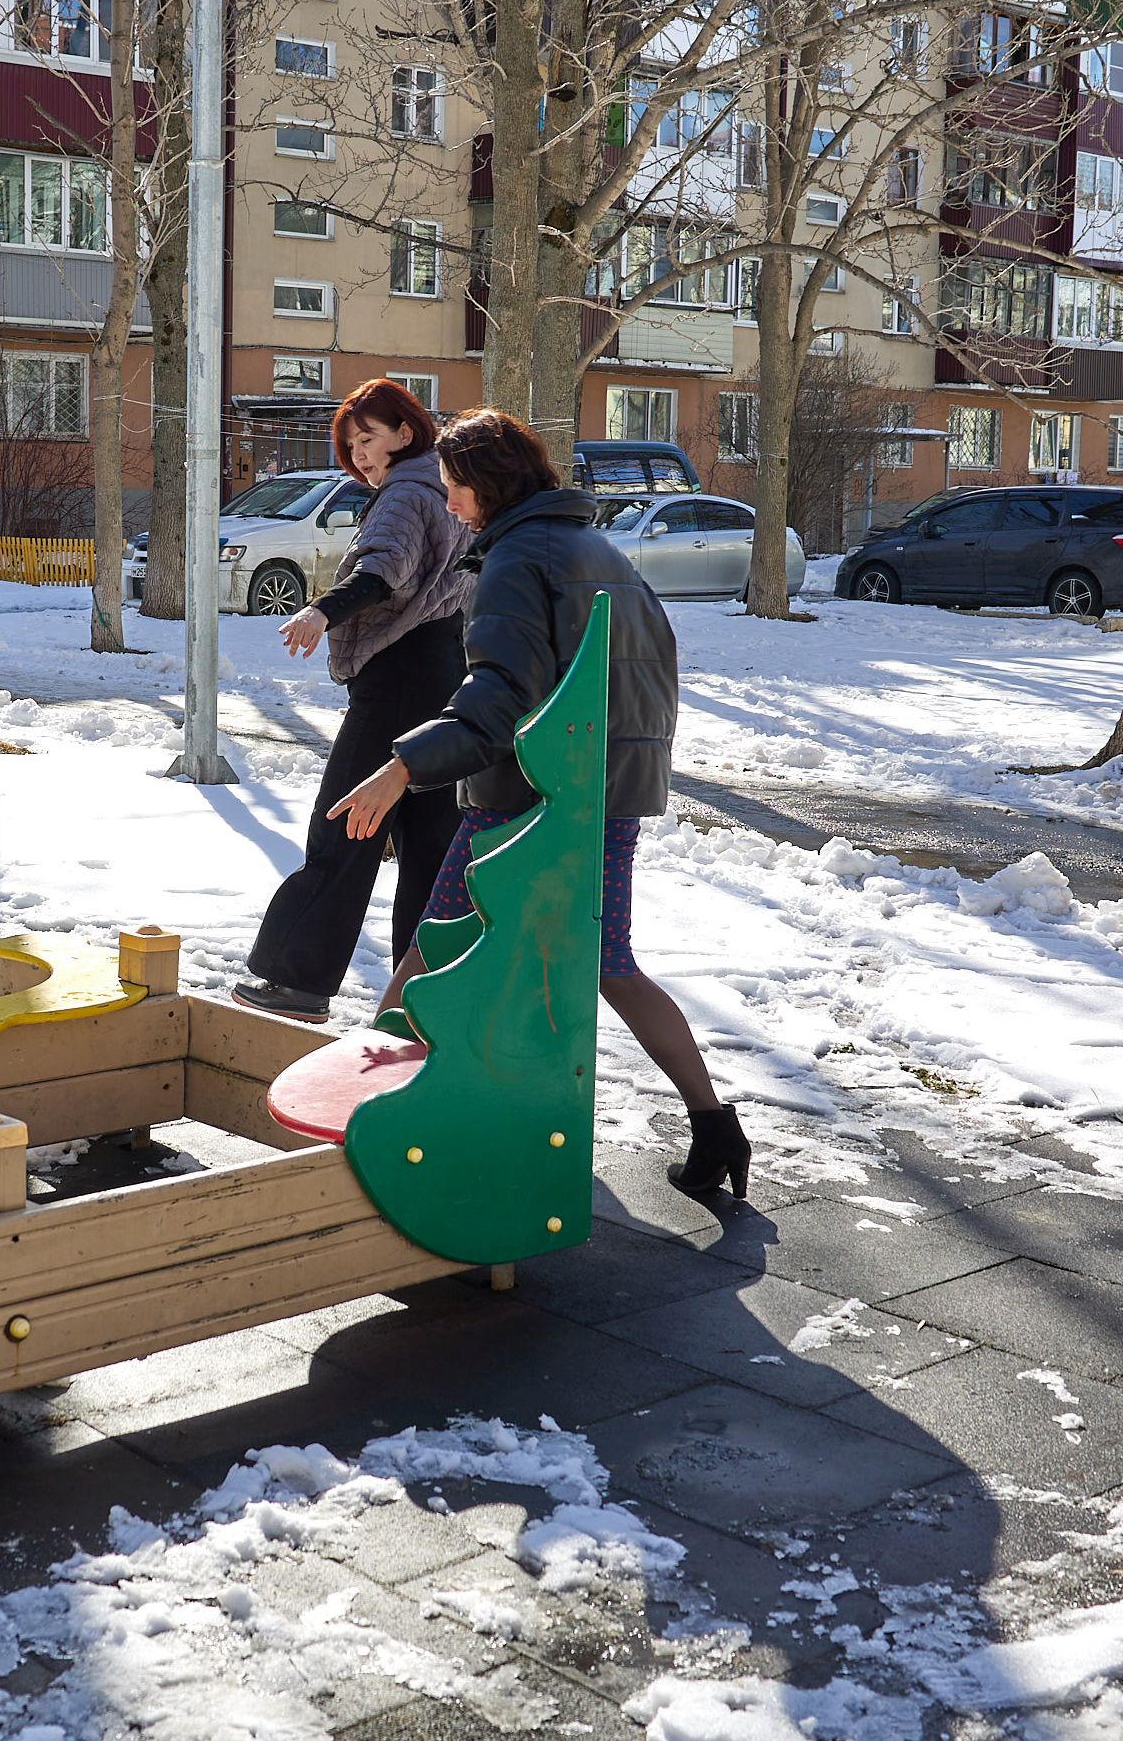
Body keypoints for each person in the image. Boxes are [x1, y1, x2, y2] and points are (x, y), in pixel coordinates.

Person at [325, 407, 749, 1197]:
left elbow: (495, 698)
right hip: (601, 796)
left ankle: (365, 1121)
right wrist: (617, 778)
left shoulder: (518, 559)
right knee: (608, 963)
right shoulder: (595, 548)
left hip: (524, 795)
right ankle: (715, 1126)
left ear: (488, 486)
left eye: (454, 489)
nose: (449, 505)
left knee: (436, 942)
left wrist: (397, 769)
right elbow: (653, 672)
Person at [233, 379, 474, 1024]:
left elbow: (381, 570)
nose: (361, 455)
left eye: (369, 438)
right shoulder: (448, 489)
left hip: (397, 685)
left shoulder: (404, 493)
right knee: (430, 845)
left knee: (345, 827)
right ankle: (426, 1001)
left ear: (405, 430)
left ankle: (295, 980)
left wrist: (320, 610)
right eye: (351, 444)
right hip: (445, 676)